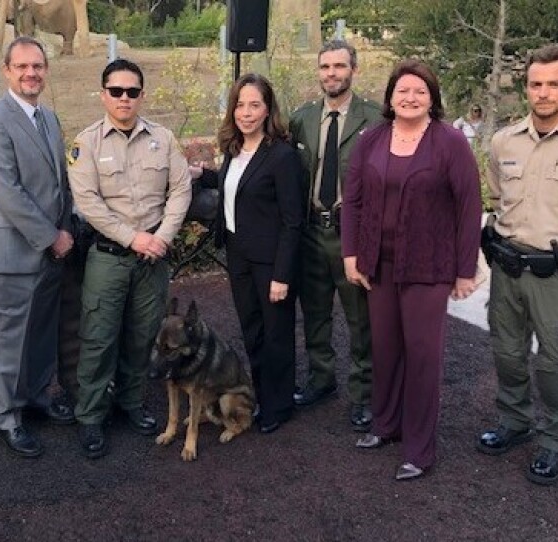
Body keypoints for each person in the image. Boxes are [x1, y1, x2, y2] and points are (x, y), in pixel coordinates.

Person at [342, 59, 482, 481]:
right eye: (402, 91)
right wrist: (351, 255)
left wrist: (464, 270)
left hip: (427, 267)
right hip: (378, 265)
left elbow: (469, 207)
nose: (410, 98)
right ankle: (385, 425)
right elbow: (353, 201)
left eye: (420, 91)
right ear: (389, 97)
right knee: (385, 350)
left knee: (422, 358)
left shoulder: (450, 142)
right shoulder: (371, 140)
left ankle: (419, 449)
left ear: (432, 99)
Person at [477, 43, 558, 486]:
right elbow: (495, 199)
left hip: (555, 275)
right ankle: (514, 421)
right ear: (526, 87)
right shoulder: (504, 140)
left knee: (555, 363)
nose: (543, 93)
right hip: (507, 270)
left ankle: (557, 438)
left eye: (553, 84)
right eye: (535, 84)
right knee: (506, 354)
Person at [68, 58, 191, 458]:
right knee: (99, 338)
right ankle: (90, 415)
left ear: (142, 95)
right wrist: (133, 237)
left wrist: (161, 238)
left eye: (132, 91)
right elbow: (87, 202)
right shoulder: (86, 143)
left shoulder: (163, 138)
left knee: (142, 336)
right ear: (103, 94)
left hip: (152, 258)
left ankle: (131, 403)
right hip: (108, 257)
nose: (124, 98)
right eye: (116, 91)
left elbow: (180, 191)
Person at [0, 36, 75, 460]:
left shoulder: (49, 118)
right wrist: (51, 236)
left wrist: (64, 228)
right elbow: (8, 192)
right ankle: (9, 415)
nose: (31, 73)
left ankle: (35, 396)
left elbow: (60, 183)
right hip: (18, 251)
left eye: (38, 66)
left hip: (53, 248)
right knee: (13, 337)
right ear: (7, 70)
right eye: (22, 67)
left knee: (42, 333)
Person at [191, 73, 305, 433]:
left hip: (271, 261)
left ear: (268, 109)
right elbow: (236, 185)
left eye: (254, 104)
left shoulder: (282, 156)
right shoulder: (234, 150)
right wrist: (205, 175)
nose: (246, 112)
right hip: (238, 255)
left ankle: (279, 405)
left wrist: (282, 275)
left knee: (276, 334)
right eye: (240, 104)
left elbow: (293, 221)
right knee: (252, 331)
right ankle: (262, 398)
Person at [287, 39, 382, 431]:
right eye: (325, 66)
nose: (331, 73)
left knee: (361, 319)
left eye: (339, 66)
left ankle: (364, 394)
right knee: (315, 314)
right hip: (312, 230)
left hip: (352, 234)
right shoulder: (303, 117)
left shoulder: (375, 118)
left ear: (353, 70)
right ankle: (321, 379)